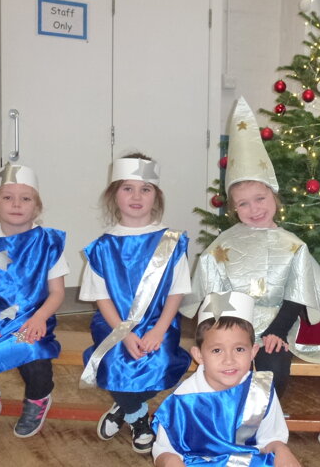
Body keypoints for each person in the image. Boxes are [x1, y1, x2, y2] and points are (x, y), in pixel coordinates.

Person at [182, 97, 320, 398]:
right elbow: (212, 295)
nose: (254, 209)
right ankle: (225, 410)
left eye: (260, 199)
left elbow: (297, 295)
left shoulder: (293, 245)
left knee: (274, 370)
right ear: (233, 209)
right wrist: (222, 338)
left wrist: (276, 332)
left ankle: (262, 417)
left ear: (274, 198)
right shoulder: (223, 245)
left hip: (275, 325)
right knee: (222, 368)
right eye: (243, 204)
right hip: (229, 327)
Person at [79, 152, 192, 454]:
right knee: (113, 361)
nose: (137, 196)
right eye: (127, 188)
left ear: (157, 196)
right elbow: (102, 297)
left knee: (161, 362)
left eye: (145, 189)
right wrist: (125, 334)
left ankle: (124, 405)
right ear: (114, 195)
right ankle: (138, 415)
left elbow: (176, 292)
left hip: (159, 321)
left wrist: (158, 330)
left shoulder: (171, 241)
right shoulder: (102, 246)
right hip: (113, 324)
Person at [0, 163, 68, 443]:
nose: (16, 204)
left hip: (31, 318)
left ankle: (38, 399)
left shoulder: (47, 243)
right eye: (8, 197)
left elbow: (57, 292)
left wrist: (40, 318)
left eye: (25, 198)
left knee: (33, 351)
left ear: (36, 207)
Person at [152, 291, 301, 467]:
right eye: (217, 350)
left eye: (239, 349)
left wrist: (281, 449)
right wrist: (170, 460)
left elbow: (270, 440)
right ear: (199, 355)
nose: (229, 360)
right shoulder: (183, 399)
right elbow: (165, 451)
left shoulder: (261, 391)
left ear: (253, 352)